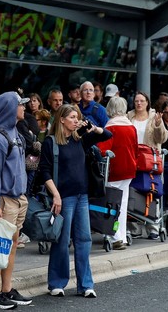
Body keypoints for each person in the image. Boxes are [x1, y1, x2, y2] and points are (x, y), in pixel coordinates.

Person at [37, 104, 111, 298]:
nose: (76, 120)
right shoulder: (51, 142)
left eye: (77, 117)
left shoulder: (80, 140)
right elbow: (44, 171)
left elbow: (107, 135)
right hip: (64, 197)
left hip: (82, 196)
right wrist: (56, 194)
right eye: (72, 117)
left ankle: (86, 284)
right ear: (62, 119)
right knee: (62, 240)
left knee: (84, 239)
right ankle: (56, 283)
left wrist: (93, 128)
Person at [0, 92, 32, 309]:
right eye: (20, 105)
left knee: (10, 247)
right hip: (2, 200)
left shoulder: (15, 134)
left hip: (17, 198)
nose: (24, 108)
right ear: (10, 109)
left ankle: (6, 289)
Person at [97, 97, 136, 250]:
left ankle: (114, 236)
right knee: (123, 204)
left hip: (114, 170)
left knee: (111, 203)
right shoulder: (131, 126)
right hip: (129, 169)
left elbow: (103, 150)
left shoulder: (111, 128)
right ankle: (121, 235)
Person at [127, 90, 167, 239]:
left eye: (142, 101)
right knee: (133, 190)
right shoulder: (128, 116)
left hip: (150, 159)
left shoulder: (154, 116)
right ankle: (134, 226)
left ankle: (153, 227)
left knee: (152, 191)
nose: (139, 103)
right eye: (136, 101)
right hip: (133, 159)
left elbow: (162, 138)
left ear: (147, 103)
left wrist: (158, 124)